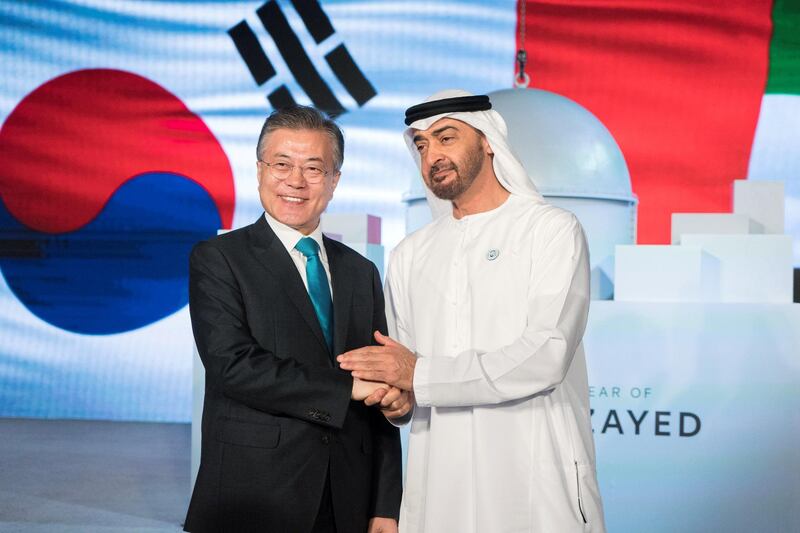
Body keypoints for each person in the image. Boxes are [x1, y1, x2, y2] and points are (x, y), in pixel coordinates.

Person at [338, 89, 605, 532]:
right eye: (421, 145)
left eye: (446, 138)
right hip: (442, 478)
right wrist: (397, 401)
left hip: (535, 472)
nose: (432, 155)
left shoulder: (550, 230)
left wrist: (416, 376)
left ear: (487, 140)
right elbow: (408, 385)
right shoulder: (410, 255)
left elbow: (546, 354)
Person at [184, 106, 402, 533]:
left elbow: (378, 383)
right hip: (256, 494)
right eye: (282, 164)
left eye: (314, 168)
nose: (296, 181)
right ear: (261, 170)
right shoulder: (219, 259)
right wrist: (346, 389)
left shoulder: (362, 272)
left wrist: (386, 504)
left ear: (335, 180)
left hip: (348, 498)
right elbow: (233, 365)